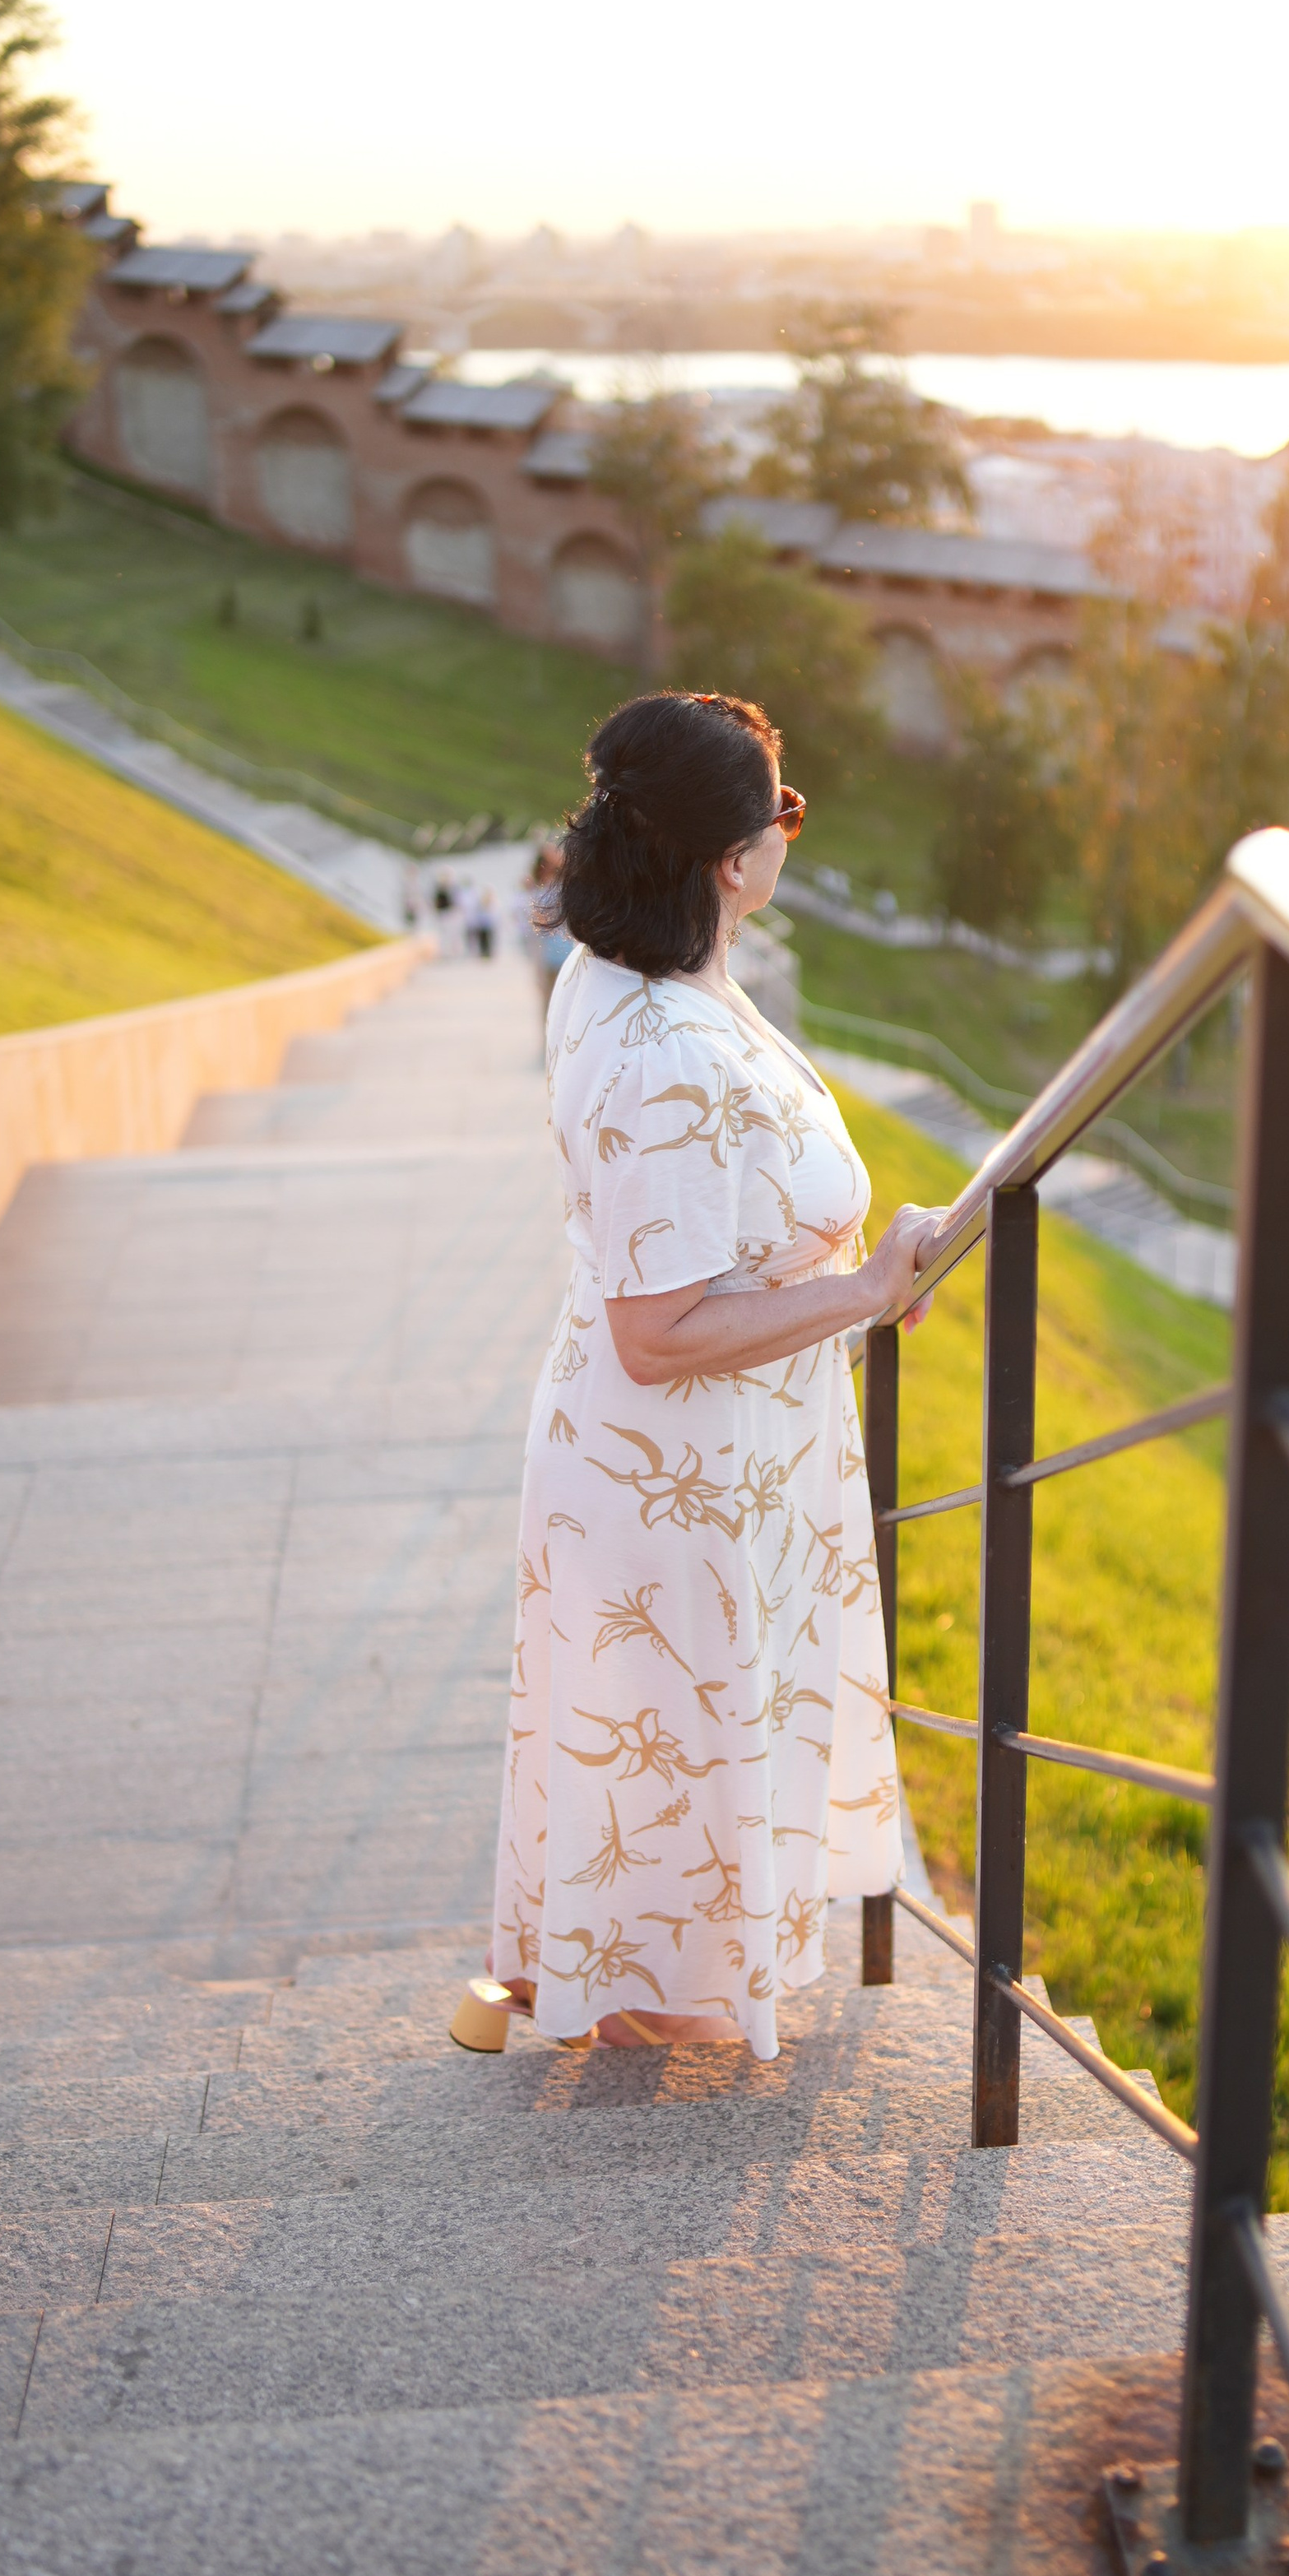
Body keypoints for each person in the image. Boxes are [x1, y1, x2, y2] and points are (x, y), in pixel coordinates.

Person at [470, 691, 939, 2056]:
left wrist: (841, 1292)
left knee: (678, 1760)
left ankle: (630, 2001)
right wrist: (858, 1293)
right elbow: (657, 1331)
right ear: (736, 860)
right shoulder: (655, 1044)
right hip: (673, 1479)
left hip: (705, 1465)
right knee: (673, 1761)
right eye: (784, 813)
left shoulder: (654, 972)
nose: (792, 833)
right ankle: (633, 2067)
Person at [516, 840, 571, 1050]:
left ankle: (562, 1046)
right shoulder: (536, 893)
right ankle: (550, 1046)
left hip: (568, 954)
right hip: (548, 956)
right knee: (550, 1002)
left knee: (567, 1004)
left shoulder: (568, 888)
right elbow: (531, 927)